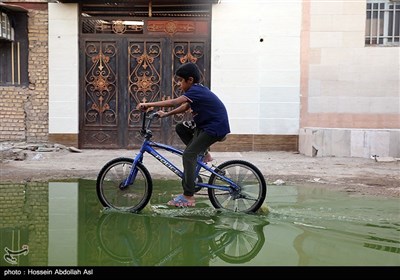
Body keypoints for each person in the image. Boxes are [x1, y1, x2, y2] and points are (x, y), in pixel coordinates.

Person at [137, 62, 230, 207]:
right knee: (181, 127)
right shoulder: (197, 91)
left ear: (190, 80)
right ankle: (204, 153)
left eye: (181, 81)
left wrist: (149, 104)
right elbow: (184, 107)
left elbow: (175, 102)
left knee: (188, 155)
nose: (179, 84)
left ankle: (188, 196)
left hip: (214, 128)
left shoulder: (195, 91)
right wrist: (165, 114)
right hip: (206, 125)